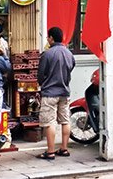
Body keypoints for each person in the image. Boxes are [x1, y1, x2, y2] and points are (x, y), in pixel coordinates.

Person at [36, 26, 75, 160]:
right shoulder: (69, 53)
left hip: (49, 93)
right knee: (65, 120)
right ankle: (64, 148)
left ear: (51, 38)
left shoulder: (47, 54)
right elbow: (71, 68)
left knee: (50, 122)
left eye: (48, 37)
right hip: (64, 92)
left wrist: (43, 83)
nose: (47, 39)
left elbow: (40, 75)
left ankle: (50, 151)